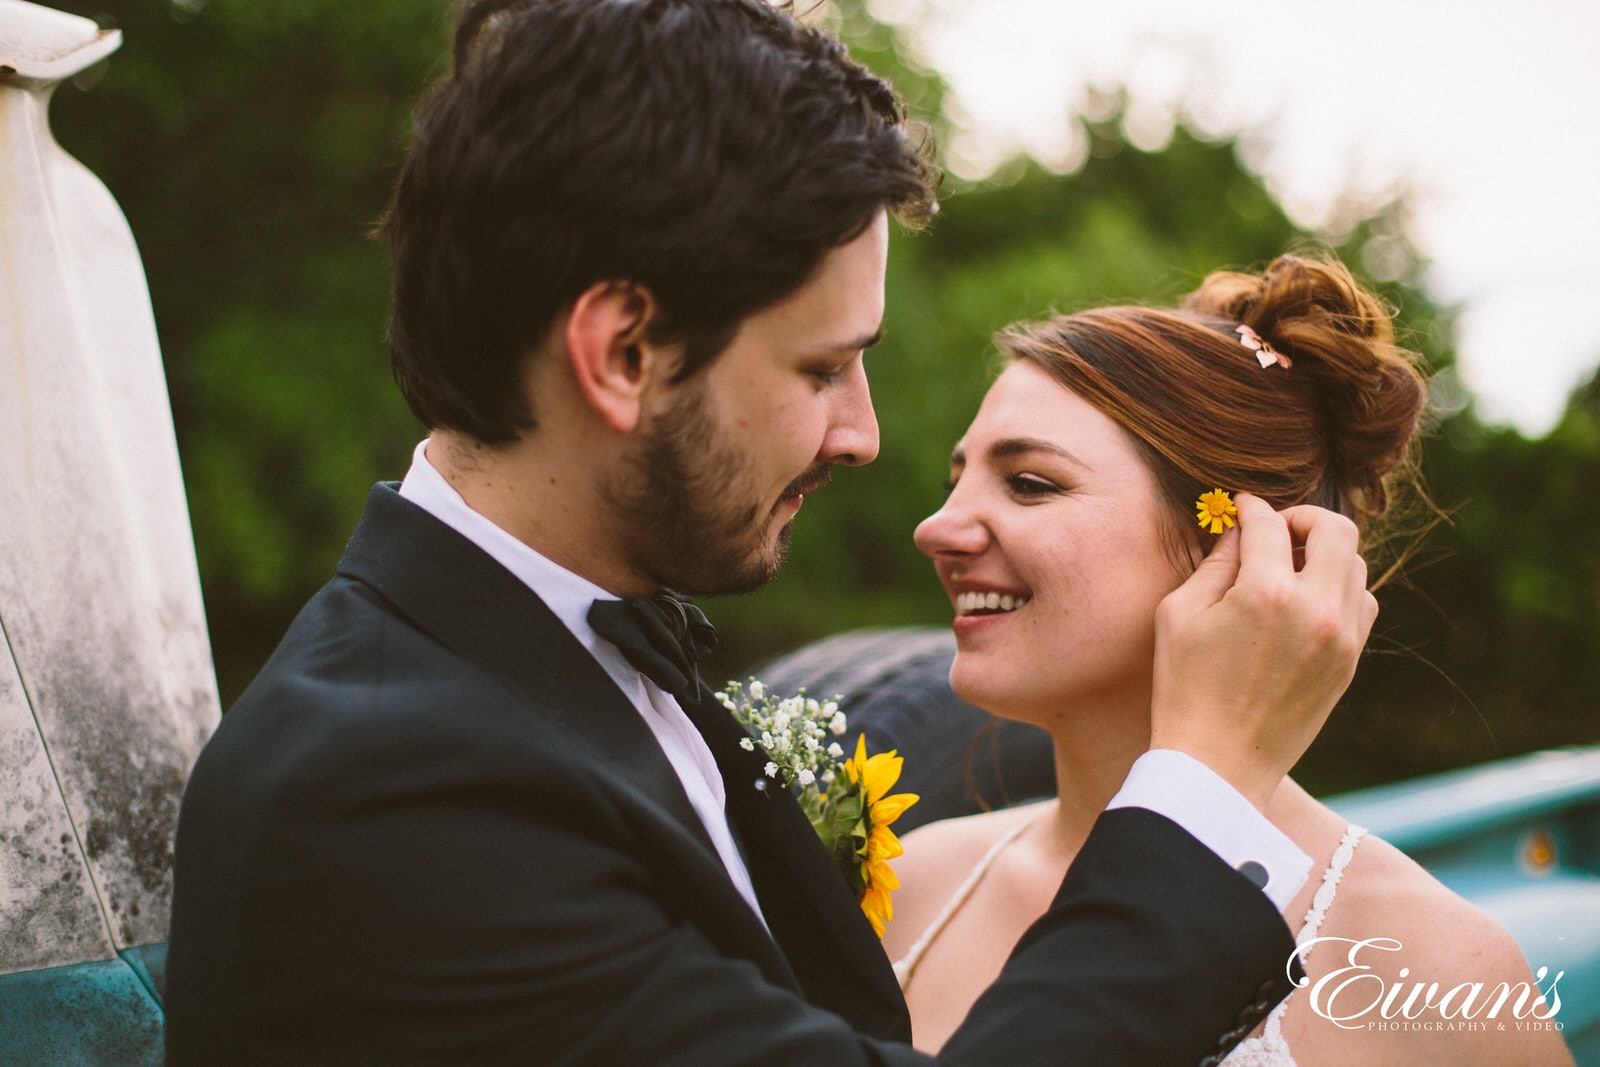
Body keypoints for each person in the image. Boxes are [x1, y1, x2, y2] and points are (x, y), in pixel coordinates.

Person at [164, 3, 1377, 1063]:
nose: (860, 436)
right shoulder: (391, 790)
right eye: (824, 366)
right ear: (624, 353)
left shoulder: (548, 664)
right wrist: (1206, 785)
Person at [886, 253, 1575, 1065]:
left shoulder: (1431, 965)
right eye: (956, 479)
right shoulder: (911, 882)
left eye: (1030, 483)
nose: (937, 527)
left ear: (1236, 541)